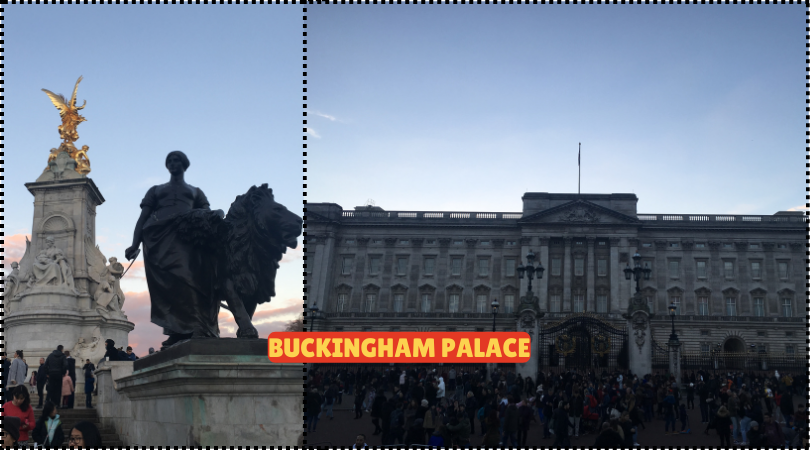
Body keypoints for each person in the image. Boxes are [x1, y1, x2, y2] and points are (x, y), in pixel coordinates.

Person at [125, 151, 223, 349]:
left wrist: (217, 215)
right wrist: (134, 243)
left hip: (186, 236)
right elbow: (143, 217)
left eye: (176, 160)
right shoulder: (156, 190)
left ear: (184, 164)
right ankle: (177, 331)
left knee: (189, 278)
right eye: (169, 160)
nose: (172, 163)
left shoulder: (195, 191)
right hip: (159, 239)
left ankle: (197, 325)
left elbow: (207, 214)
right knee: (169, 285)